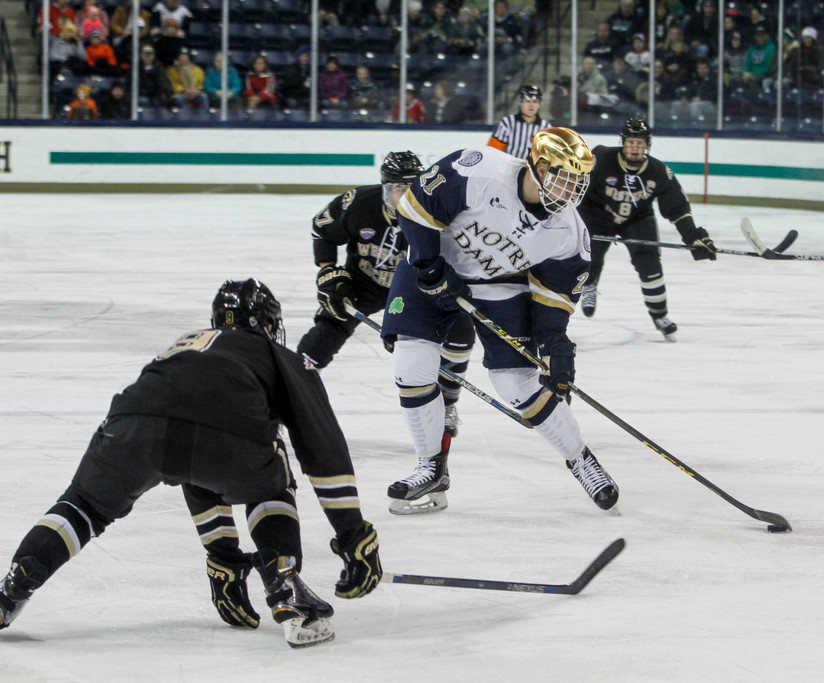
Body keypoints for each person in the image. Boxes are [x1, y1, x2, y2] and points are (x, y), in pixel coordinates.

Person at [0, 279, 382, 648]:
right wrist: (353, 535)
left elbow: (191, 458)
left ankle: (14, 585)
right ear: (267, 323)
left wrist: (224, 558)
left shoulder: (186, 345)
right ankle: (285, 585)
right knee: (271, 476)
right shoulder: (275, 355)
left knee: (82, 506)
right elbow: (322, 447)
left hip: (131, 423)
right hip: (223, 437)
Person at [380, 128, 621, 513]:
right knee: (411, 363)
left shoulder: (569, 234)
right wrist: (428, 268)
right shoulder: (480, 170)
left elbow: (554, 297)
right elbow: (416, 206)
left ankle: (580, 459)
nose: (573, 190)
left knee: (516, 382)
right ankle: (430, 465)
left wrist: (555, 344)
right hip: (435, 264)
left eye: (580, 181)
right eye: (565, 178)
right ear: (540, 166)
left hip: (499, 284)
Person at [296, 151, 475, 462]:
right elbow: (321, 229)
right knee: (326, 332)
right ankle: (288, 396)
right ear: (383, 188)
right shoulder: (358, 203)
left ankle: (446, 402)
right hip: (362, 285)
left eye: (411, 187)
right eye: (396, 188)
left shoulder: (435, 213)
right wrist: (327, 271)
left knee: (460, 327)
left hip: (413, 289)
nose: (404, 195)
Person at [576, 117, 717, 340]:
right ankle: (590, 285)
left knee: (649, 262)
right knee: (590, 255)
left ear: (647, 145)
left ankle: (660, 315)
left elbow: (677, 208)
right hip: (598, 213)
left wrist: (694, 237)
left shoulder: (658, 171)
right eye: (631, 142)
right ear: (623, 143)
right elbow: (577, 185)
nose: (635, 148)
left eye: (640, 143)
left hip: (637, 217)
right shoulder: (601, 158)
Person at [486, 84, 549, 160]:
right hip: (508, 168)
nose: (531, 105)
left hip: (531, 170)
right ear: (520, 103)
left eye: (535, 102)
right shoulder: (507, 123)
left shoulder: (546, 128)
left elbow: (548, 156)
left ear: (539, 105)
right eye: (528, 101)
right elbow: (492, 151)